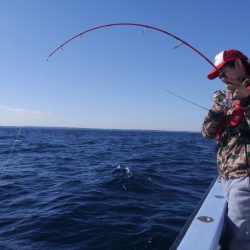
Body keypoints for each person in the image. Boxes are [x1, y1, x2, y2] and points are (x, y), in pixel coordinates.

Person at [202, 49, 250, 249]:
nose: (221, 77)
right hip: (228, 177)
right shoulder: (227, 96)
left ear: (239, 64)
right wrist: (217, 109)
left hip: (245, 178)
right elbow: (206, 132)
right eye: (218, 75)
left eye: (223, 71)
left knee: (240, 242)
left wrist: (247, 100)